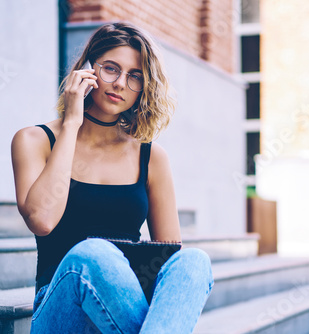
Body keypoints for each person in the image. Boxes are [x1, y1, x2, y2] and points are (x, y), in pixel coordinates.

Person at [11, 22, 214, 334]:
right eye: (111, 69)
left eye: (135, 77)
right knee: (93, 252)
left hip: (121, 311)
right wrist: (72, 123)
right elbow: (42, 220)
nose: (120, 83)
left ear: (144, 88)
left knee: (193, 262)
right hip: (61, 310)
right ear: (87, 70)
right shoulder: (35, 140)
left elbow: (166, 257)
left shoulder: (151, 157)